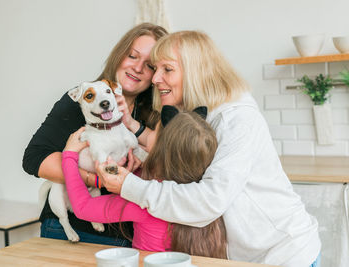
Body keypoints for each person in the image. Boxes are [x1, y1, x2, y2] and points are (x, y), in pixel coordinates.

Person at [96, 31, 321, 267]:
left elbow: (209, 201)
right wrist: (133, 134)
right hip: (245, 257)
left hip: (284, 255)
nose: (155, 78)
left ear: (196, 71)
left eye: (168, 69)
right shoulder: (193, 112)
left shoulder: (237, 118)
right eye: (156, 68)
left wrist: (129, 186)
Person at [22, 23, 167, 246]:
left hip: (129, 235)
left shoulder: (156, 115)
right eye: (132, 56)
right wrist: (94, 179)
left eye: (149, 65)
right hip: (72, 230)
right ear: (119, 56)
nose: (138, 68)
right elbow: (34, 159)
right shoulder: (82, 102)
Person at [62, 107, 227, 258]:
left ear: (161, 146)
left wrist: (69, 156)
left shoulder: (144, 201)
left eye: (154, 130)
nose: (150, 132)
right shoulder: (210, 202)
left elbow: (83, 208)